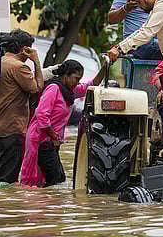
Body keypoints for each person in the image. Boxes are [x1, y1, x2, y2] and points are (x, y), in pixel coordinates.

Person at [0, 29, 44, 185]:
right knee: (8, 181)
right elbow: (36, 88)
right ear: (25, 49)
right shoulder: (19, 67)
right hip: (13, 129)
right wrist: (36, 61)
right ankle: (5, 207)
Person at [21, 59, 106, 188]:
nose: (77, 82)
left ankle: (45, 205)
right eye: (76, 78)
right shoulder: (53, 88)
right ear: (65, 75)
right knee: (51, 179)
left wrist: (105, 67)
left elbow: (91, 85)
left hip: (50, 141)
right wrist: (54, 136)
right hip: (40, 140)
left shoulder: (69, 91)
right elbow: (42, 114)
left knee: (48, 180)